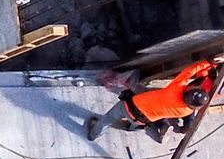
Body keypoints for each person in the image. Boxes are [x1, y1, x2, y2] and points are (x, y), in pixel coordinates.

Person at [86, 58, 221, 141]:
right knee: (137, 125)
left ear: (188, 91)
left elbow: (189, 72)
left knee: (107, 120)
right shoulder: (186, 111)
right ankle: (128, 127)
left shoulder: (176, 89)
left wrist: (208, 63)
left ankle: (93, 135)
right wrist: (179, 129)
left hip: (127, 106)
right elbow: (190, 122)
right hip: (142, 121)